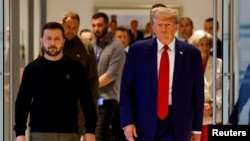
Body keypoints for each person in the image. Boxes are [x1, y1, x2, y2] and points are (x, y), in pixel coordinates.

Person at [120, 7, 204, 141]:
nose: (163, 29)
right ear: (153, 27)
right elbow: (126, 89)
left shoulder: (191, 53)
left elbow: (198, 94)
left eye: (168, 25)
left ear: (176, 27)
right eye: (159, 25)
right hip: (142, 121)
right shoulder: (137, 51)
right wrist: (127, 122)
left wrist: (196, 129)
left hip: (177, 122)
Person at [14, 22, 97, 141]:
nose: (52, 43)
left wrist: (90, 130)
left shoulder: (76, 68)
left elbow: (87, 101)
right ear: (41, 41)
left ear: (63, 41)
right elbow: (22, 103)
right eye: (48, 39)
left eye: (57, 39)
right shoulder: (32, 69)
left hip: (69, 133)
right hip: (39, 133)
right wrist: (20, 132)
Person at [60, 11, 99, 136]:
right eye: (68, 27)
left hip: (78, 108)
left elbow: (92, 79)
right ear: (62, 25)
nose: (71, 30)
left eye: (74, 27)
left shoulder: (86, 47)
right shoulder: (53, 44)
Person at [91, 12, 126, 141]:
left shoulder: (116, 46)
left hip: (108, 97)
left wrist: (90, 87)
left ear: (108, 25)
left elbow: (112, 74)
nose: (96, 29)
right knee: (114, 133)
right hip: (94, 97)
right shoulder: (92, 46)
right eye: (93, 25)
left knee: (98, 133)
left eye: (99, 25)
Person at [188, 29, 222, 141]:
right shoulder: (186, 64)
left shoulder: (219, 64)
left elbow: (225, 89)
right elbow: (184, 91)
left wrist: (212, 105)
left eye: (207, 44)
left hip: (214, 115)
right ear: (194, 46)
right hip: (194, 116)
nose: (205, 47)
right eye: (201, 44)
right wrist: (199, 106)